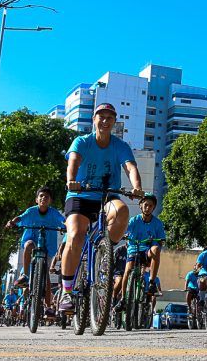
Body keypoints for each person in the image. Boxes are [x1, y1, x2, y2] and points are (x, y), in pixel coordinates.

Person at [60, 102, 144, 313]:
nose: (105, 121)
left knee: (122, 211)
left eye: (110, 118)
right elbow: (74, 162)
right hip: (80, 195)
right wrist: (71, 180)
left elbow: (130, 167)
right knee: (76, 235)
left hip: (106, 196)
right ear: (94, 119)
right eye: (101, 117)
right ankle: (67, 292)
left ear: (114, 122)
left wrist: (137, 187)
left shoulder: (120, 145)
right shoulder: (82, 142)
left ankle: (103, 251)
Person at [6, 186, 65, 315]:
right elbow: (20, 218)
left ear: (50, 201)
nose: (44, 198)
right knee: (29, 245)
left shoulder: (54, 213)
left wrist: (68, 226)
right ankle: (25, 275)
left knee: (47, 277)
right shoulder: (31, 211)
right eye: (41, 196)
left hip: (48, 248)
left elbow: (63, 221)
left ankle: (48, 308)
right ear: (36, 200)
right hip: (32, 242)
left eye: (47, 197)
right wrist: (11, 222)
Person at [119, 193, 165, 308]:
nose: (148, 207)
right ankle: (123, 299)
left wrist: (158, 242)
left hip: (147, 251)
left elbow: (161, 239)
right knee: (128, 270)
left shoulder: (157, 223)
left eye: (150, 205)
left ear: (154, 207)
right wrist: (122, 234)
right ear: (141, 206)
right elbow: (124, 229)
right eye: (146, 205)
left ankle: (151, 282)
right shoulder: (134, 220)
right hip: (133, 249)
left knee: (155, 249)